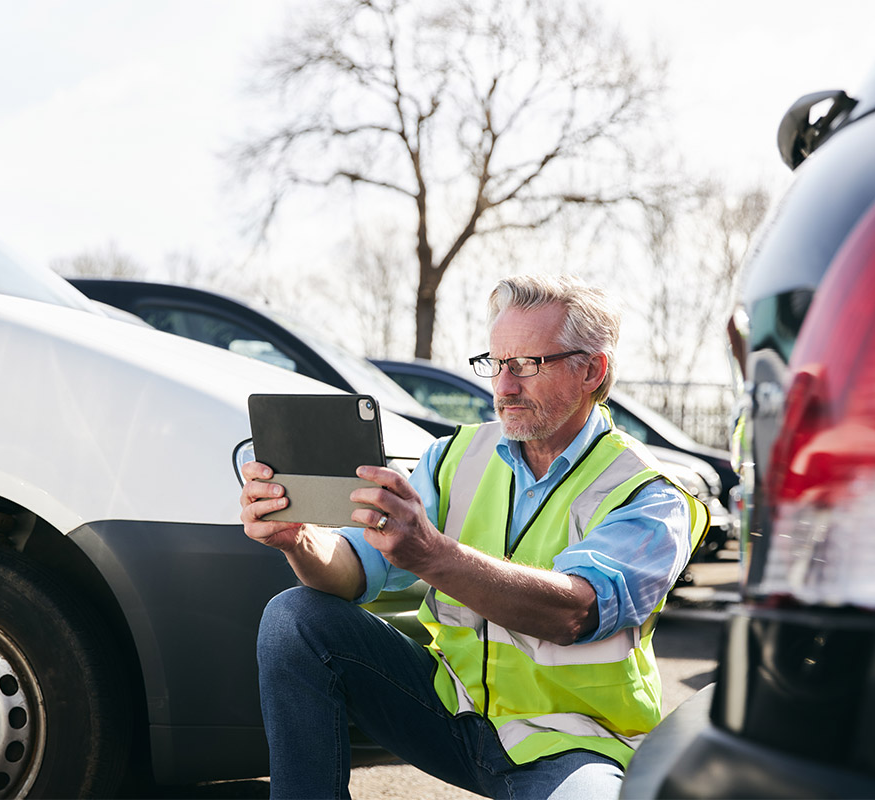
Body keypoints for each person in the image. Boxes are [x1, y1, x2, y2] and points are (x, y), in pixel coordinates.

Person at [238, 274, 708, 799]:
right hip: (449, 711)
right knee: (295, 616)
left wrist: (434, 555)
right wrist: (298, 540)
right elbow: (352, 573)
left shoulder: (649, 493)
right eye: (497, 363)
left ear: (592, 371)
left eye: (528, 365)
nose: (504, 386)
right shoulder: (451, 457)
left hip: (572, 743)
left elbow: (573, 612)